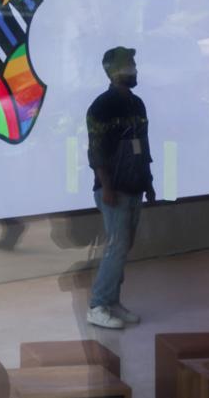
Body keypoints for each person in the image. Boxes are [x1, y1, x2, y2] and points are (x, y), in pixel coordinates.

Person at [85, 47, 155, 329]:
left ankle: (112, 302)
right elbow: (96, 149)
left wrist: (148, 182)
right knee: (117, 247)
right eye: (130, 64)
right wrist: (107, 186)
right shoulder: (101, 106)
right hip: (113, 189)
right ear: (115, 70)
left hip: (135, 185)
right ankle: (98, 305)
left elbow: (142, 146)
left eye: (134, 63)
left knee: (123, 247)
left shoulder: (137, 105)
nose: (135, 69)